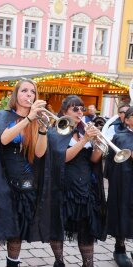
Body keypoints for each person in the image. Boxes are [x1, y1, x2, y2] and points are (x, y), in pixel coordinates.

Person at [0, 79, 48, 267]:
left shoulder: (37, 121)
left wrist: (42, 130)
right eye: (24, 91)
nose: (29, 95)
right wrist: (28, 118)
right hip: (0, 182)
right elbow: (4, 138)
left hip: (25, 183)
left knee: (17, 231)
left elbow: (40, 153)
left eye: (32, 92)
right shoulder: (3, 115)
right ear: (16, 95)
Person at [46, 95, 106, 267]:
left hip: (85, 186)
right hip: (63, 185)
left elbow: (94, 160)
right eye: (75, 109)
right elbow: (62, 158)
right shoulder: (56, 130)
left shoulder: (84, 130)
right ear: (65, 111)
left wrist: (97, 143)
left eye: (82, 109)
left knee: (86, 226)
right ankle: (59, 261)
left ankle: (88, 264)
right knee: (58, 224)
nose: (80, 112)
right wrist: (85, 140)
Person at [106, 106, 133, 267]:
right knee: (122, 212)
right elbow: (111, 162)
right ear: (127, 119)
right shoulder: (120, 136)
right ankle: (119, 248)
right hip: (124, 182)